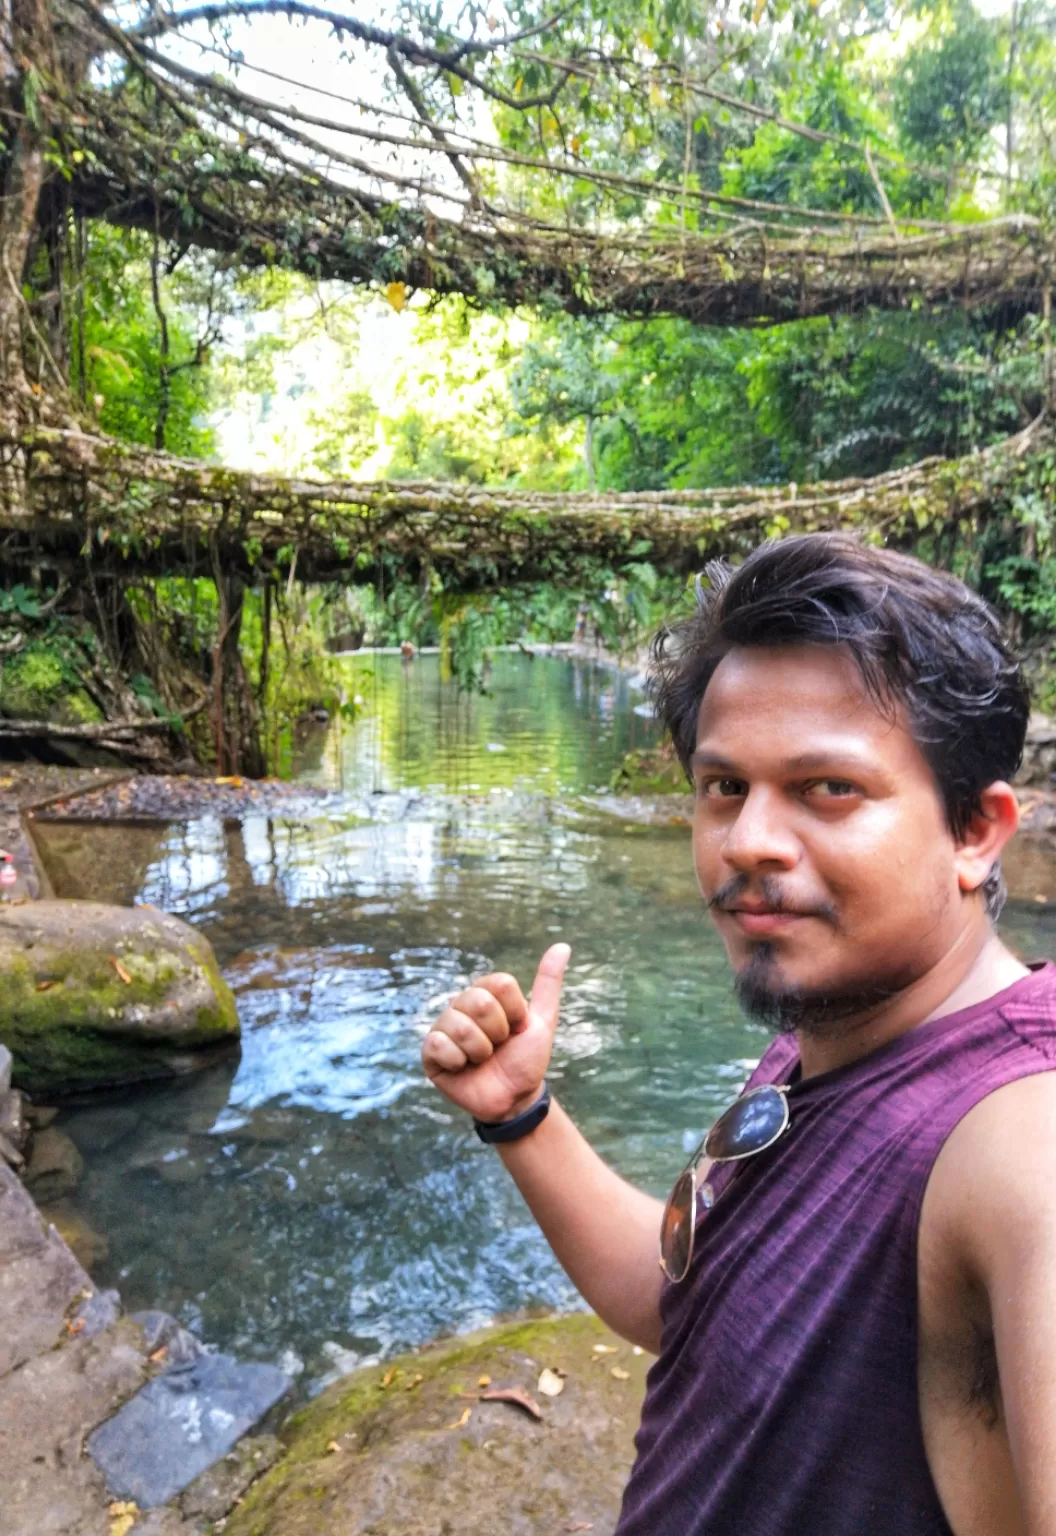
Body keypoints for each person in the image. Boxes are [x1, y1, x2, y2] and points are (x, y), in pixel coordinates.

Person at [421, 533, 1056, 1535]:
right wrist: (522, 1116)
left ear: (976, 831)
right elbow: (690, 1305)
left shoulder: (1020, 1136)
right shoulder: (832, 1028)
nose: (749, 840)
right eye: (725, 787)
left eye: (828, 788)